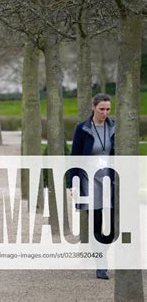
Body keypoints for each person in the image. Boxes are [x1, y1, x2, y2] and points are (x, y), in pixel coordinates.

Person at [70, 93, 115, 280]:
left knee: (112, 227)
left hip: (111, 181)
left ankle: (103, 252)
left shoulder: (114, 127)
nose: (104, 113)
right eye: (101, 109)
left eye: (107, 109)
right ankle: (101, 264)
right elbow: (75, 157)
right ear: (93, 107)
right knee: (96, 223)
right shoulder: (83, 129)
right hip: (90, 182)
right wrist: (72, 182)